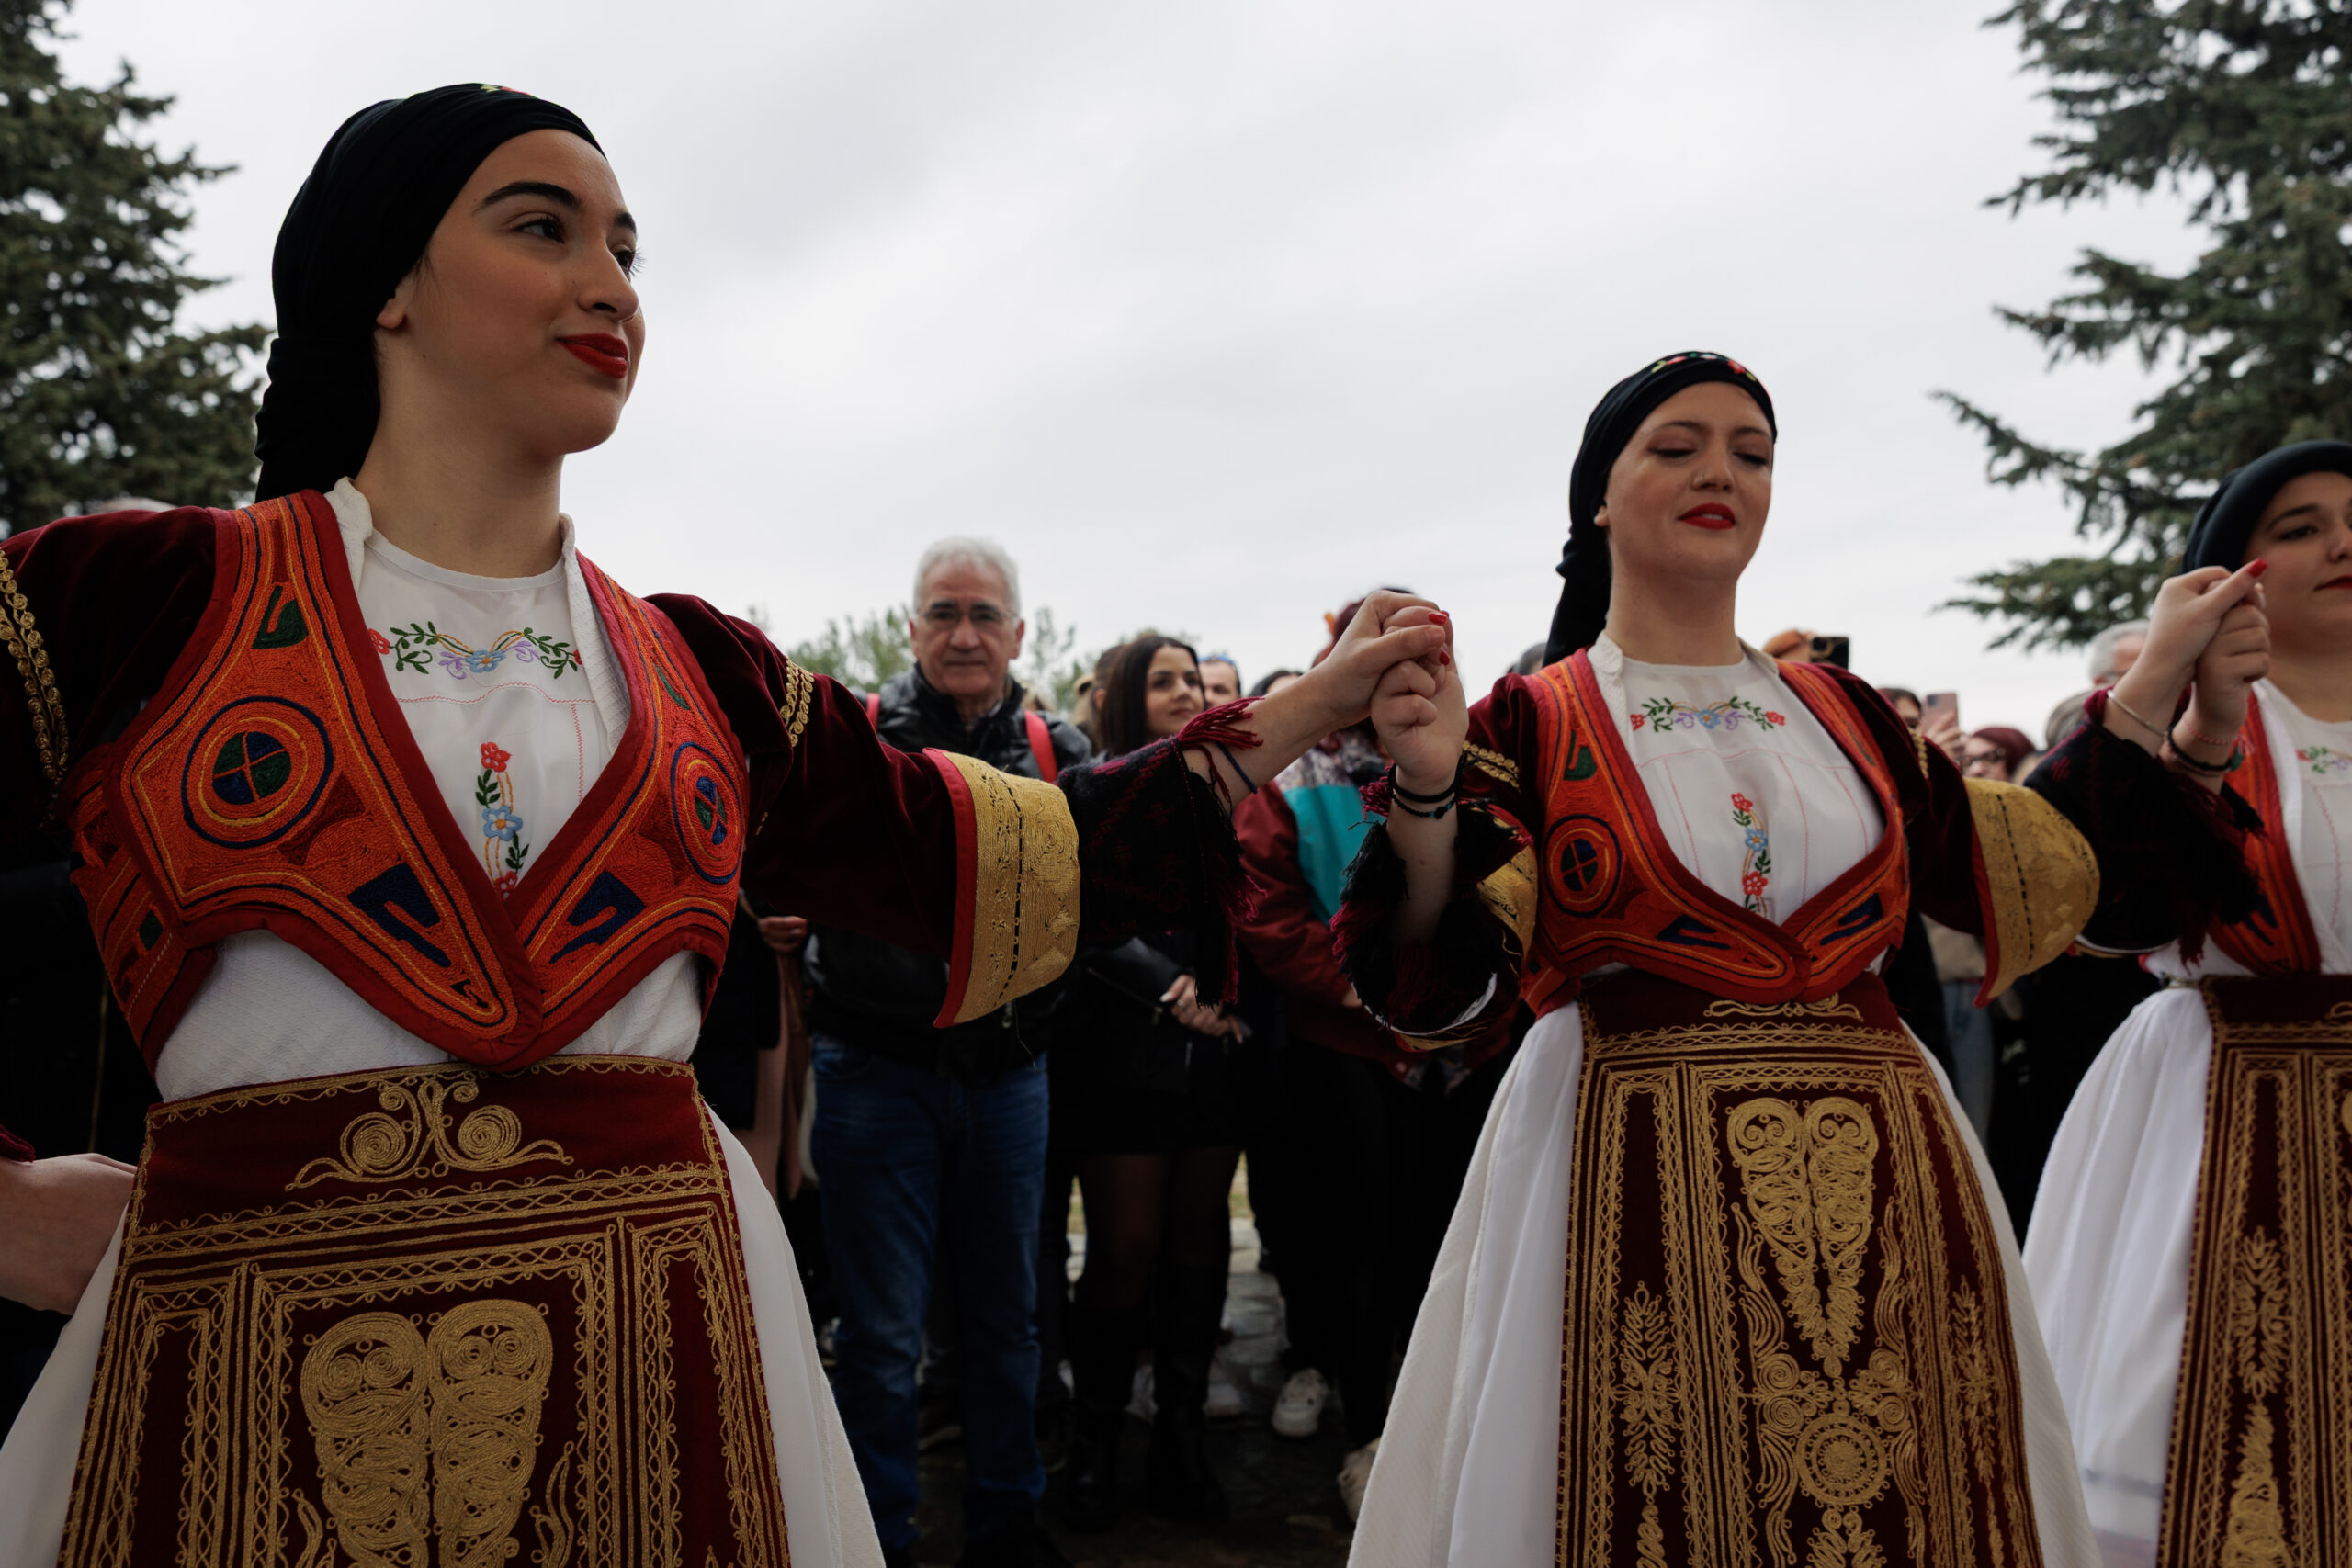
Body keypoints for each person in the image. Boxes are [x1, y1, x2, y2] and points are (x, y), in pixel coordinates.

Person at [0, 85, 1453, 1568]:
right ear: (385, 281)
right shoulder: (139, 598)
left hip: (665, 1354)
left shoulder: (704, 671)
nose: (610, 285)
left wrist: (1312, 702)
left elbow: (1010, 857)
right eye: (543, 226)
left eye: (627, 249)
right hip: (249, 1379)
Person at [1337, 352, 2107, 1565]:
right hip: (1626, 1158)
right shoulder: (1530, 718)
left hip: (1881, 1170)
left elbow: (2035, 875)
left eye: (1751, 453)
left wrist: (2160, 712)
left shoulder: (1848, 711)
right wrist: (1428, 786)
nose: (1721, 473)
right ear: (1599, 496)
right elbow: (1430, 978)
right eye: (1678, 446)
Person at [2023, 442, 2346, 1567]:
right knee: (2225, 1436)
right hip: (2230, 1108)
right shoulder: (2202, 733)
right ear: (2231, 578)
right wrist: (2184, 709)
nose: (2341, 543)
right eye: (2300, 526)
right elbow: (2088, 904)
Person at [799, 536, 1088, 1566]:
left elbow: (1093, 899)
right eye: (944, 613)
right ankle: (879, 1538)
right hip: (873, 1071)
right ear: (913, 626)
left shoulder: (1059, 749)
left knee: (1008, 1319)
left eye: (983, 614)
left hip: (1010, 1074)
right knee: (879, 1337)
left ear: (1017, 632)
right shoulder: (855, 738)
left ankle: (1007, 1523)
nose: (964, 635)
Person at [1231, 609, 1513, 1519]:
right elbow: (1266, 905)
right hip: (1348, 1047)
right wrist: (1361, 990)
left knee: (1451, 1245)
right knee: (1357, 1243)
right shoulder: (1298, 772)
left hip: (1468, 1051)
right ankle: (1369, 1436)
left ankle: (1449, 1436)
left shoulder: (1488, 766)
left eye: (1425, 662)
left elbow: (1520, 893)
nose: (1405, 681)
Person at [1057, 637, 1267, 1531]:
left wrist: (1230, 995)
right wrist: (1169, 985)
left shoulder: (1235, 794)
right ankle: (1095, 1441)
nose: (1185, 691)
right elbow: (1072, 912)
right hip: (1121, 1056)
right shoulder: (1092, 789)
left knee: (1198, 1244)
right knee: (1123, 1250)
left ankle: (1181, 1440)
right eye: (1163, 679)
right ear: (1121, 697)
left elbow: (1270, 905)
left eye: (1193, 678)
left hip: (1220, 1055)